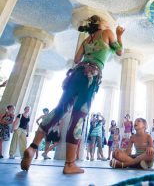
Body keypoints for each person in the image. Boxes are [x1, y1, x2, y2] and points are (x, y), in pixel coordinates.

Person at [21, 15, 124, 174]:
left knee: (60, 109)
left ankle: (33, 147)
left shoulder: (86, 40)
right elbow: (119, 52)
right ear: (101, 25)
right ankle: (69, 164)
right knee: (79, 116)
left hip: (75, 74)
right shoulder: (108, 33)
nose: (107, 23)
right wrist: (119, 35)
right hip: (91, 76)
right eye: (105, 21)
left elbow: (76, 59)